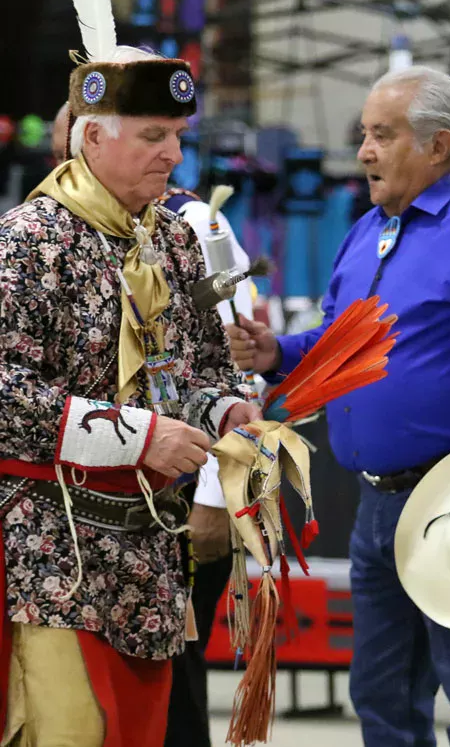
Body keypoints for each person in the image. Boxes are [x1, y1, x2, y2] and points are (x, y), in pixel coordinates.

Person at [226, 66, 450, 746]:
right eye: (364, 135)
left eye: (381, 136)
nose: (363, 152)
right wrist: (279, 353)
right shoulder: (368, 231)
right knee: (382, 695)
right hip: (377, 506)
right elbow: (341, 341)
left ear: (438, 146)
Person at [0, 39, 260, 746]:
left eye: (177, 136)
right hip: (46, 549)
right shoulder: (28, 241)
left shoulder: (172, 240)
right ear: (90, 136)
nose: (173, 155)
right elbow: (3, 393)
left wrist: (229, 408)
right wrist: (142, 436)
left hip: (149, 554)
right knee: (69, 729)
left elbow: (201, 371)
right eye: (153, 136)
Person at [158, 185, 256, 747]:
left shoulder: (190, 220)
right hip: (115, 490)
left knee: (177, 668)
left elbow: (236, 365)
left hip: (190, 490)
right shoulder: (66, 222)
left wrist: (215, 500)